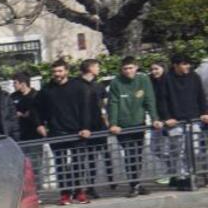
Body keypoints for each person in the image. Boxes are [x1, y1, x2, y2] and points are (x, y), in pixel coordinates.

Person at [37, 59, 96, 205]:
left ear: (67, 71)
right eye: (54, 71)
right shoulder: (46, 90)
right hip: (57, 131)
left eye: (60, 71)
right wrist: (39, 125)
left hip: (77, 131)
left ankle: (79, 192)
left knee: (79, 163)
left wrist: (86, 127)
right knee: (61, 165)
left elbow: (87, 109)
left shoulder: (79, 87)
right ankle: (65, 193)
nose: (57, 74)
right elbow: (36, 108)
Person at [107, 57, 159, 197]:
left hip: (138, 123)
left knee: (137, 155)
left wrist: (154, 119)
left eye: (131, 68)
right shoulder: (116, 82)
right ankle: (133, 184)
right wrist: (113, 123)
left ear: (136, 68)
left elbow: (149, 100)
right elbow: (113, 104)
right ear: (121, 70)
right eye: (125, 68)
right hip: (123, 126)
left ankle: (137, 183)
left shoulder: (143, 80)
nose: (128, 71)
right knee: (129, 155)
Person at [159, 54, 208, 190]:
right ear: (175, 65)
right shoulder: (167, 79)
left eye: (188, 64)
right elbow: (162, 100)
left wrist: (204, 113)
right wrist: (167, 117)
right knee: (179, 152)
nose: (187, 67)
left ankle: (191, 176)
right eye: (184, 64)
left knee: (194, 151)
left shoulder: (194, 77)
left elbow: (201, 96)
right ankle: (182, 178)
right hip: (176, 122)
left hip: (194, 120)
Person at [79, 59, 112, 195]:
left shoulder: (99, 86)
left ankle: (111, 179)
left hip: (99, 124)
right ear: (90, 68)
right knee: (88, 157)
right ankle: (89, 186)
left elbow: (105, 105)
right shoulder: (77, 86)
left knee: (104, 153)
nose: (99, 69)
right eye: (97, 67)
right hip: (84, 126)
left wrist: (108, 120)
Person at [11, 72, 42, 141]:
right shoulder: (13, 97)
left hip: (34, 134)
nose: (13, 85)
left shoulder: (36, 95)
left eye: (15, 83)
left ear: (23, 84)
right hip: (20, 134)